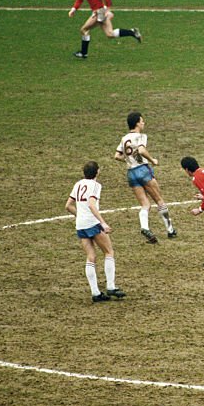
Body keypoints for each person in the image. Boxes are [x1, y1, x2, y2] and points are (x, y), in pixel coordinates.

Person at [64, 161, 125, 302]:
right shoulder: (96, 186)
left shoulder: (78, 184)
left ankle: (96, 293)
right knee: (109, 252)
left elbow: (68, 206)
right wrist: (102, 223)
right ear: (97, 172)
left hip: (80, 225)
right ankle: (111, 286)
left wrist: (80, 216)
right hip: (92, 223)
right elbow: (92, 204)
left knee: (91, 257)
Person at [114, 112, 177, 243]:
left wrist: (129, 161)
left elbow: (117, 156)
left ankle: (145, 227)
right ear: (137, 123)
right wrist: (152, 160)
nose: (143, 123)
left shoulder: (124, 138)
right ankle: (170, 230)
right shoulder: (141, 136)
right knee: (159, 200)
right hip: (143, 169)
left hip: (131, 173)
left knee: (145, 204)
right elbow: (142, 150)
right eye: (142, 121)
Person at [69, 0, 141, 59]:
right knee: (110, 34)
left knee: (84, 29)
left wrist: (107, 9)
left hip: (100, 12)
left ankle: (84, 53)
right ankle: (132, 32)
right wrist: (73, 9)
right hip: (97, 12)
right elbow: (79, 0)